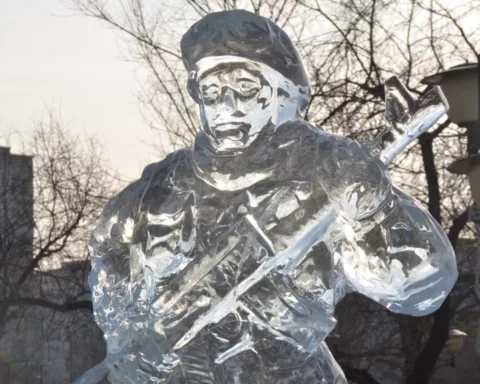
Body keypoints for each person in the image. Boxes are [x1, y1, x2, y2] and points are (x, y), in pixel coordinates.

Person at [86, 10, 457, 384]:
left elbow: (420, 289)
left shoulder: (333, 169)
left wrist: (372, 206)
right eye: (211, 91)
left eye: (245, 87)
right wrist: (130, 338)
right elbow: (108, 259)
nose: (226, 104)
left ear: (282, 92)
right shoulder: (161, 187)